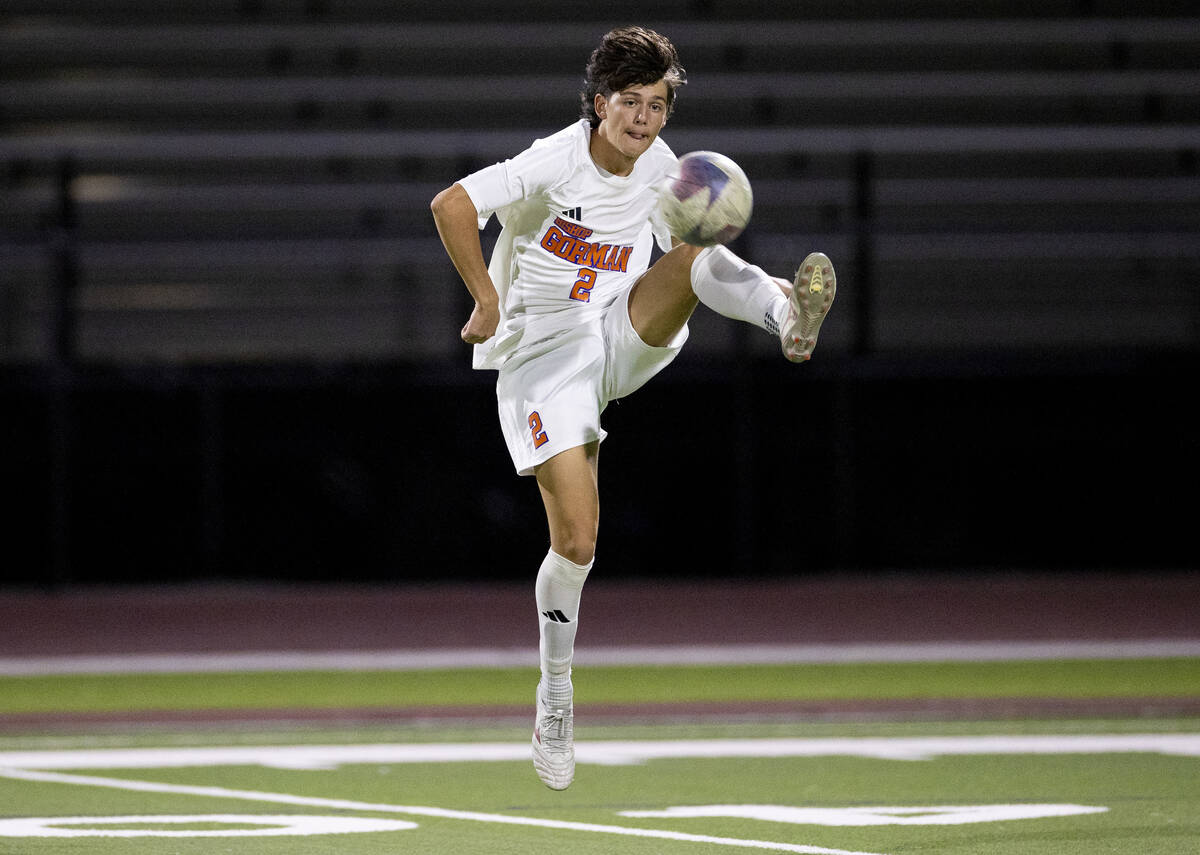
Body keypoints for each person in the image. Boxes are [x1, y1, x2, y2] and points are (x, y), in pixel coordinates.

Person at [430, 25, 836, 790]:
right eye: (630, 104)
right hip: (540, 358)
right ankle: (556, 692)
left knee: (693, 251)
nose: (644, 120)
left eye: (658, 105)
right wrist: (485, 297)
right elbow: (451, 204)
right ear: (598, 105)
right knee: (578, 542)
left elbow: (697, 260)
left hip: (616, 331)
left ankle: (785, 315)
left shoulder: (663, 170)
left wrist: (764, 284)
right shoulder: (557, 158)